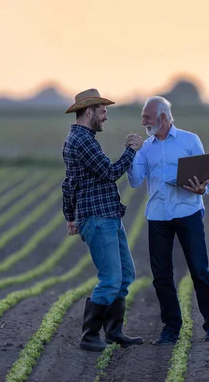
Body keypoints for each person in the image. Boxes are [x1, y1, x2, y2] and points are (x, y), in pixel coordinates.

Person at [127, 96, 209, 345]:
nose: (143, 122)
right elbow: (136, 180)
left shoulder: (190, 140)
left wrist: (202, 188)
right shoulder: (145, 147)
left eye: (147, 117)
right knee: (161, 276)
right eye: (142, 118)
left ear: (163, 118)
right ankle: (171, 328)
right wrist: (131, 154)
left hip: (188, 211)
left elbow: (206, 180)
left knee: (199, 270)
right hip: (158, 215)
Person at [62, 88, 145, 351]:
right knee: (110, 279)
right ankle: (89, 337)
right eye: (103, 111)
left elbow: (69, 183)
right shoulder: (83, 141)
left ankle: (114, 332)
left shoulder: (79, 138)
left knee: (125, 275)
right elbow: (110, 173)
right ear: (89, 111)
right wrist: (131, 150)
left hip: (107, 215)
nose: (106, 117)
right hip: (98, 218)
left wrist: (70, 215)